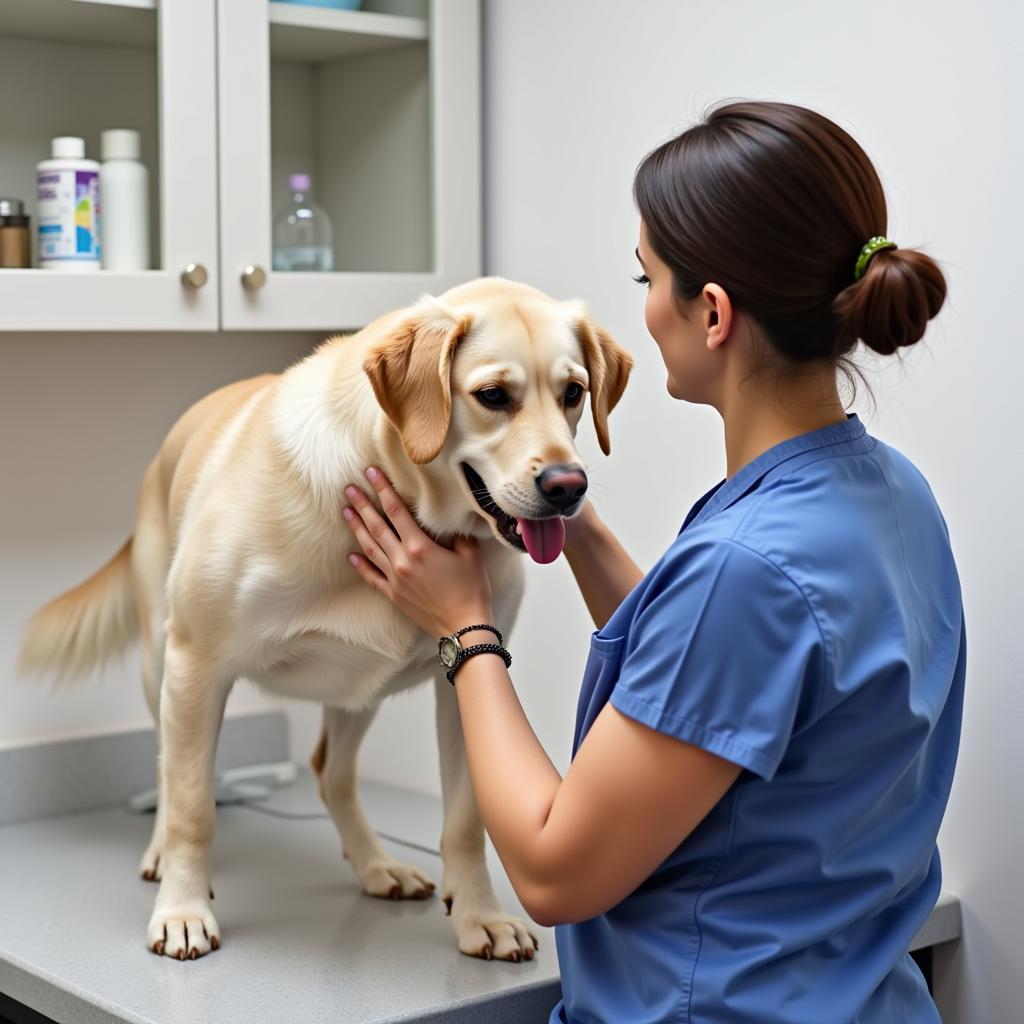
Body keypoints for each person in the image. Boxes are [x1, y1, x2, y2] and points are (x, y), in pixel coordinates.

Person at [340, 100, 965, 1024]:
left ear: (711, 312)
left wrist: (464, 631)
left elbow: (553, 871)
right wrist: (567, 518)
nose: (641, 306)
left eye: (648, 275)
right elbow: (724, 684)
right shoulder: (890, 495)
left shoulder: (745, 567)